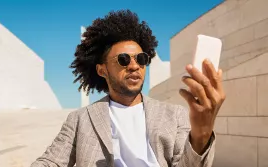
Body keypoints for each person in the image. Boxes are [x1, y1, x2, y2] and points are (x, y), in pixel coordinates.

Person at [31, 9, 225, 167]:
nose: (134, 66)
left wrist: (201, 134)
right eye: (123, 59)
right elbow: (51, 162)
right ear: (102, 70)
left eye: (141, 59)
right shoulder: (80, 119)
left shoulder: (174, 116)